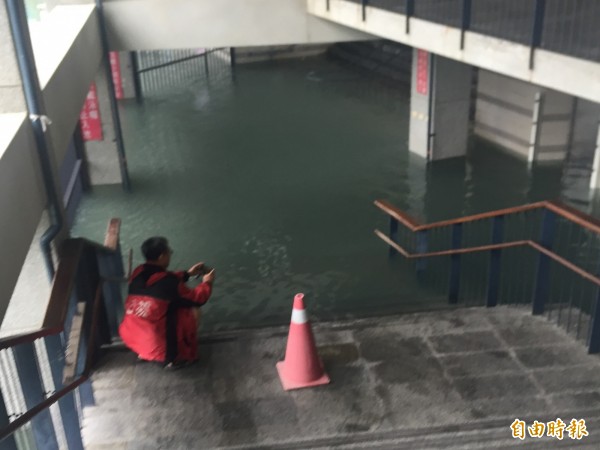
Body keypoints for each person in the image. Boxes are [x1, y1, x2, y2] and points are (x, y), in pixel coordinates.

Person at [118, 236, 215, 369]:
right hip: (157, 347)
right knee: (193, 311)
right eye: (169, 252)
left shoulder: (138, 272)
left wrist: (187, 274)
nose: (170, 254)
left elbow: (160, 280)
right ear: (161, 256)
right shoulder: (169, 283)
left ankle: (143, 352)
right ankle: (172, 360)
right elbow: (198, 298)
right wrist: (207, 282)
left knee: (157, 311)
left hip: (130, 336)